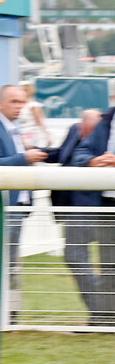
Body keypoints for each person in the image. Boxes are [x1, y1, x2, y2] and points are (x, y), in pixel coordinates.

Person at [0, 85, 49, 317]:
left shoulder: (15, 130)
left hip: (17, 209)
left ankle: (0, 313)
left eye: (22, 102)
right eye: (14, 102)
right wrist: (24, 157)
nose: (19, 107)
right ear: (1, 104)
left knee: (6, 264)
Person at [47, 109, 107, 324]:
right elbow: (64, 154)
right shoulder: (75, 130)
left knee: (94, 260)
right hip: (73, 208)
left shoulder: (102, 130)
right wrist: (36, 153)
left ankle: (101, 310)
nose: (87, 134)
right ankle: (99, 309)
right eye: (85, 130)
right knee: (74, 257)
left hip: (96, 208)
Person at [71, 100, 115, 324]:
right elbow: (82, 152)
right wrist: (94, 161)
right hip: (107, 206)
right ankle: (104, 320)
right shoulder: (105, 122)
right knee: (108, 267)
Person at [17, 81, 51, 149]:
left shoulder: (33, 105)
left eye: (24, 90)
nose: (21, 92)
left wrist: (47, 136)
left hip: (30, 135)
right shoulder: (20, 104)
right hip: (20, 134)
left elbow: (40, 121)